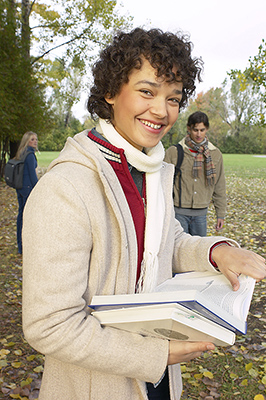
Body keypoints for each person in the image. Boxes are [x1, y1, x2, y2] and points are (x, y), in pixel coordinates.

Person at [22, 28, 266, 400]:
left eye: (173, 98)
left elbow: (163, 242)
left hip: (158, 381)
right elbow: (49, 325)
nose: (161, 110)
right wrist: (155, 354)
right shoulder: (65, 188)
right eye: (147, 91)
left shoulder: (151, 169)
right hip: (97, 387)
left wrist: (215, 252)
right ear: (110, 92)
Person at [164, 111, 226, 236]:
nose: (198, 134)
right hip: (178, 213)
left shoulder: (215, 154)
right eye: (195, 130)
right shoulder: (174, 152)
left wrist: (221, 214)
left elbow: (219, 185)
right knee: (179, 251)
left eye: (202, 130)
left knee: (198, 251)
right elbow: (162, 183)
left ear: (206, 129)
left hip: (201, 214)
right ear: (189, 128)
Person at [14, 131, 38, 254]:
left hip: (20, 187)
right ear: (27, 141)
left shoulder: (22, 152)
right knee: (27, 217)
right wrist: (39, 188)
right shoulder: (29, 155)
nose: (35, 141)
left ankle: (20, 244)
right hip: (27, 188)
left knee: (21, 215)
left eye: (35, 139)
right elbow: (33, 176)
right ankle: (24, 246)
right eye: (32, 139)